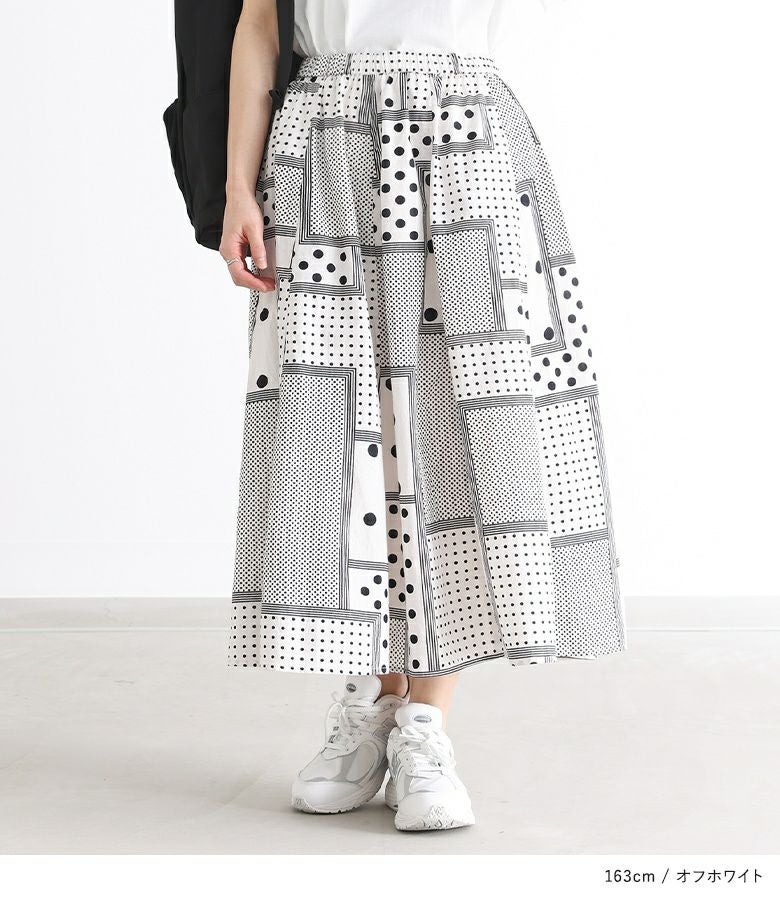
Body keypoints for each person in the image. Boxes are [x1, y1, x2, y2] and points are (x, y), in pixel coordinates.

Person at [219, 0, 626, 832]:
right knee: (335, 423)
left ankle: (424, 725)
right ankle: (376, 699)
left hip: (462, 134)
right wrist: (236, 188)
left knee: (451, 422)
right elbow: (259, 22)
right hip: (321, 136)